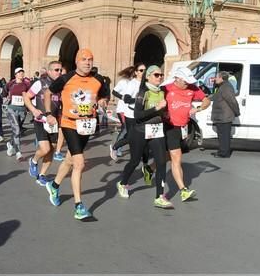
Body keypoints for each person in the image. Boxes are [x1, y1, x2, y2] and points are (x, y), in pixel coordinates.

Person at [44, 48, 110, 220]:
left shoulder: (98, 79)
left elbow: (104, 95)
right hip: (69, 123)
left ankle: (54, 185)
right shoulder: (66, 78)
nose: (87, 62)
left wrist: (103, 101)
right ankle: (79, 206)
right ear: (77, 61)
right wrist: (49, 114)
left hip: (87, 125)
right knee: (79, 163)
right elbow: (48, 93)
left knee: (70, 159)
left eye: (90, 59)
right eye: (84, 59)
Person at [115, 66, 172, 207]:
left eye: (161, 75)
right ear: (148, 77)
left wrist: (164, 114)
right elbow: (137, 116)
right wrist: (156, 109)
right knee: (134, 161)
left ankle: (159, 196)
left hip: (157, 130)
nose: (160, 77)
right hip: (140, 131)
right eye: (156, 75)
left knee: (161, 162)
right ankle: (122, 183)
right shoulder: (143, 93)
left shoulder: (162, 92)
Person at [162, 66, 211, 201]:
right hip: (169, 126)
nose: (187, 84)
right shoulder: (166, 88)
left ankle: (150, 167)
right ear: (177, 78)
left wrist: (199, 108)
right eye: (185, 81)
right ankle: (183, 190)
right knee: (176, 157)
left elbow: (207, 100)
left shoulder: (192, 88)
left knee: (173, 155)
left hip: (184, 127)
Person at [24, 61, 63, 186]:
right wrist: (34, 110)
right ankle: (34, 160)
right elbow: (26, 97)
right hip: (41, 120)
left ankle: (42, 175)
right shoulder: (40, 83)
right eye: (56, 70)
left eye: (60, 70)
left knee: (51, 150)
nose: (59, 72)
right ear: (49, 71)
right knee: (45, 149)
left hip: (54, 122)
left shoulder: (62, 85)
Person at [3, 67, 31, 160]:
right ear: (15, 75)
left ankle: (10, 144)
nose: (21, 74)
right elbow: (4, 92)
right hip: (12, 109)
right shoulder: (11, 83)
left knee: (17, 130)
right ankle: (18, 152)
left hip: (22, 110)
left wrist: (29, 107)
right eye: (19, 72)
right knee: (17, 130)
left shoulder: (26, 84)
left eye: (22, 72)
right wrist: (6, 99)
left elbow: (30, 95)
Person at [210, 71, 240, 158]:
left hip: (224, 116)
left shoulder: (226, 87)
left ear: (221, 78)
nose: (215, 79)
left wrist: (237, 112)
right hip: (222, 115)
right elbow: (217, 97)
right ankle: (222, 151)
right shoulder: (223, 86)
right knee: (222, 135)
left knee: (224, 136)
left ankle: (224, 153)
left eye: (217, 77)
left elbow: (232, 101)